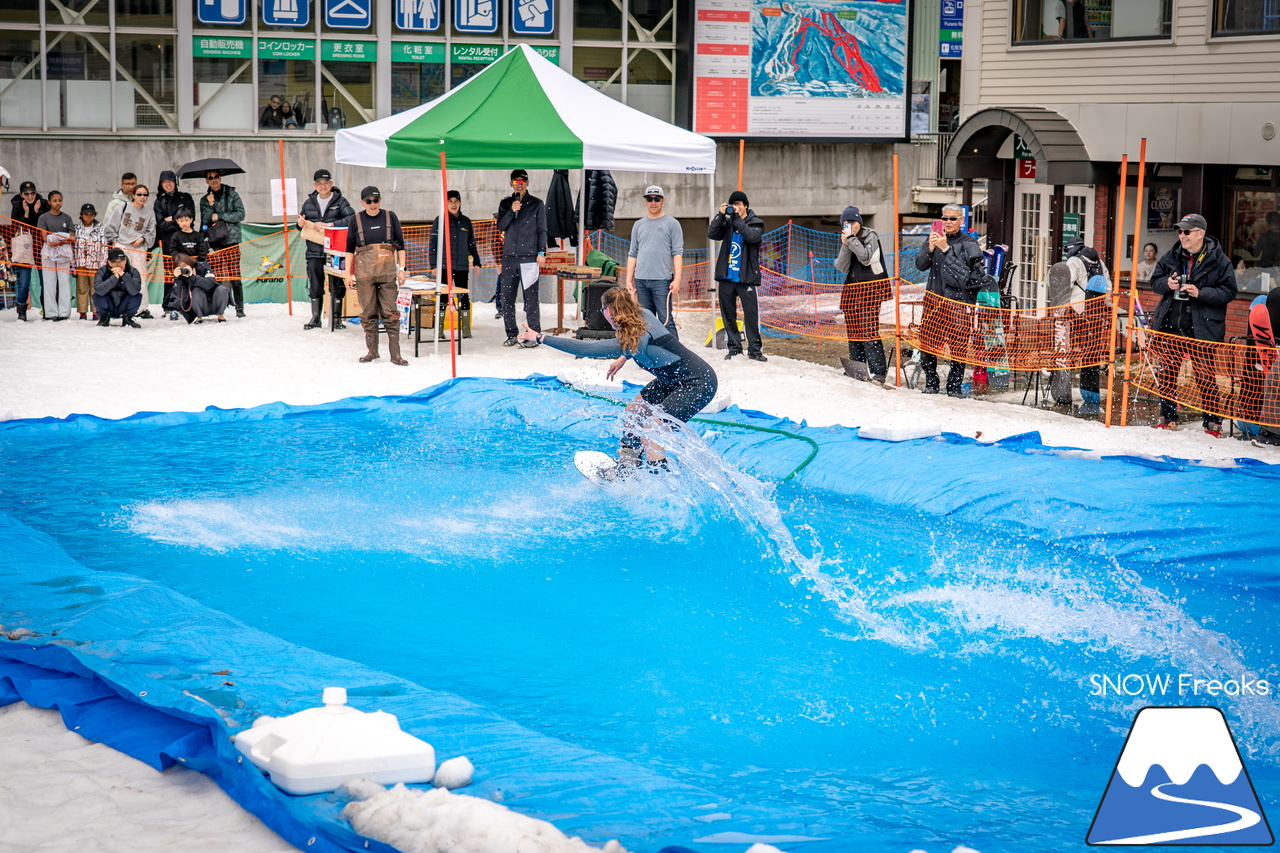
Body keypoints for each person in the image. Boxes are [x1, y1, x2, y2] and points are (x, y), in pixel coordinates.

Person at [517, 286, 718, 474]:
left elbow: (585, 348)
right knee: (633, 414)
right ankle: (628, 469)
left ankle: (663, 484)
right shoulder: (642, 317)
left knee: (652, 430)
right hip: (672, 379)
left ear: (609, 311)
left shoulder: (632, 338)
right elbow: (643, 343)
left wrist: (541, 338)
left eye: (602, 309)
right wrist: (624, 358)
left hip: (697, 382)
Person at [1149, 213, 1237, 435]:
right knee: (1166, 374)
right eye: (1179, 231)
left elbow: (1229, 292)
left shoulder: (1220, 260)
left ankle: (1212, 422)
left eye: (1186, 231)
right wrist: (1167, 284)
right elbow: (1154, 281)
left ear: (1200, 234)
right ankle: (1167, 417)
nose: (1182, 235)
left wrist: (1200, 292)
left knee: (1205, 377)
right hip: (1171, 325)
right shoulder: (1173, 254)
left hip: (1202, 328)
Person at [915, 203, 986, 396]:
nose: (947, 222)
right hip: (934, 300)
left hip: (958, 302)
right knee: (928, 343)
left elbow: (967, 276)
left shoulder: (969, 242)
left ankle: (954, 387)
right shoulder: (934, 239)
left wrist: (946, 249)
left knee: (958, 347)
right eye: (944, 218)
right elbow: (920, 265)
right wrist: (930, 248)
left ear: (961, 221)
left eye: (952, 218)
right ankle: (932, 382)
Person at [343, 185, 408, 366]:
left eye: (376, 200)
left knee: (390, 312)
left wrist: (402, 269)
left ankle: (396, 355)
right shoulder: (356, 220)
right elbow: (349, 249)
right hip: (364, 274)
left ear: (380, 200)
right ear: (362, 202)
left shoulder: (390, 217)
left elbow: (401, 245)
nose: (373, 204)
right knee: (368, 312)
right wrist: (348, 274)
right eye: (369, 201)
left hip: (387, 272)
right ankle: (372, 352)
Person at [708, 190, 766, 362]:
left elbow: (752, 236)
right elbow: (712, 234)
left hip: (746, 277)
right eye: (733, 204)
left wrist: (736, 219)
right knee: (728, 315)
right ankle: (734, 348)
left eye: (739, 204)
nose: (736, 207)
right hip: (727, 276)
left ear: (746, 206)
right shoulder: (727, 223)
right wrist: (720, 215)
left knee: (751, 315)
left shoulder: (756, 223)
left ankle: (755, 351)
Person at [835, 205, 889, 383]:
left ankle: (878, 371)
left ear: (859, 222)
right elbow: (841, 266)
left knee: (869, 330)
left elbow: (867, 258)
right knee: (854, 331)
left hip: (871, 289)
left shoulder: (870, 235)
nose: (850, 225)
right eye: (846, 223)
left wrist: (852, 240)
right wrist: (846, 245)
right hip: (852, 289)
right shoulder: (848, 238)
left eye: (852, 222)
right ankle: (857, 368)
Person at [297, 168, 355, 330]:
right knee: (315, 282)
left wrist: (330, 225)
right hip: (314, 251)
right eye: (320, 184)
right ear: (314, 185)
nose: (323, 187)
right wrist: (299, 223)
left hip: (335, 250)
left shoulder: (340, 201)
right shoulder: (309, 203)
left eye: (326, 183)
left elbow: (351, 219)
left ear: (331, 184)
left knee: (337, 283)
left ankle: (336, 318)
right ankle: (316, 317)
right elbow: (301, 222)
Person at [495, 169, 547, 347]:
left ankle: (534, 335)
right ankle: (511, 334)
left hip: (529, 257)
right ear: (511, 184)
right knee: (507, 298)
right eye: (516, 182)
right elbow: (500, 226)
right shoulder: (505, 203)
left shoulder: (537, 204)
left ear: (527, 183)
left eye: (522, 181)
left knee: (531, 299)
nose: (519, 184)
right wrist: (511, 211)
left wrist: (541, 252)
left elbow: (542, 229)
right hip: (509, 257)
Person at [625, 184, 684, 338]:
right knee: (644, 321)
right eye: (649, 199)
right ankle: (651, 355)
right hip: (641, 280)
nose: (653, 202)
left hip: (662, 280)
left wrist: (677, 279)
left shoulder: (672, 224)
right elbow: (633, 253)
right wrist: (628, 280)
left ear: (662, 200)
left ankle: (676, 355)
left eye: (657, 199)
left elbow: (677, 253)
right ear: (645, 201)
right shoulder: (638, 225)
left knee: (666, 321)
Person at [1063, 238, 1112, 416]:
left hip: (1078, 312)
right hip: (1097, 312)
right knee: (1091, 352)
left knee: (1071, 350)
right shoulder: (1099, 261)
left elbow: (1066, 284)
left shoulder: (1074, 261)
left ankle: (1063, 387)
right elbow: (1107, 285)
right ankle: (1091, 393)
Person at [103, 184, 157, 319]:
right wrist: (115, 242)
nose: (142, 197)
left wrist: (142, 239)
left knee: (141, 277)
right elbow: (110, 226)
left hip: (139, 248)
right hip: (122, 246)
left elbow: (152, 233)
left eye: (145, 195)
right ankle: (119, 306)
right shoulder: (123, 207)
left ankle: (141, 308)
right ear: (133, 195)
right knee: (119, 276)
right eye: (139, 194)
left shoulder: (149, 213)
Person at [200, 169, 247, 317]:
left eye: (216, 177)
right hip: (215, 241)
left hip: (231, 240)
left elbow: (241, 214)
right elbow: (205, 221)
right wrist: (210, 205)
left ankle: (239, 307)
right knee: (217, 276)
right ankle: (220, 306)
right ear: (206, 181)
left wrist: (220, 215)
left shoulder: (232, 194)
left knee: (235, 275)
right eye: (210, 178)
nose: (214, 180)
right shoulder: (204, 199)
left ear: (220, 178)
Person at [429, 190, 483, 289]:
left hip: (461, 267)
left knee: (463, 298)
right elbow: (433, 245)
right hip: (444, 267)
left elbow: (471, 244)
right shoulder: (440, 220)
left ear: (460, 203)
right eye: (450, 201)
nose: (453, 204)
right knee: (443, 298)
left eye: (456, 201)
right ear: (446, 203)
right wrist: (434, 265)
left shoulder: (466, 221)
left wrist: (477, 263)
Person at [9, 179, 45, 321]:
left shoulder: (42, 204)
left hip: (40, 246)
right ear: (21, 194)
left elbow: (42, 225)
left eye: (32, 193)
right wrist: (26, 214)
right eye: (26, 193)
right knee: (23, 282)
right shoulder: (17, 206)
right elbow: (17, 227)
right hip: (25, 247)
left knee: (44, 280)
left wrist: (36, 212)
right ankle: (21, 311)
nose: (30, 196)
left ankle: (46, 309)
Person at [36, 190, 75, 321]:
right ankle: (51, 312)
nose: (58, 203)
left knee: (64, 282)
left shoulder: (67, 218)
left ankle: (64, 313)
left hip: (64, 252)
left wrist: (60, 240)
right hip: (48, 252)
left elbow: (72, 237)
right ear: (49, 202)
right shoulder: (43, 218)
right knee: (49, 282)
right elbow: (45, 237)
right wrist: (55, 238)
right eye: (55, 201)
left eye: (60, 200)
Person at [166, 208, 208, 319]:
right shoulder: (176, 235)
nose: (184, 223)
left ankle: (196, 308)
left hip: (195, 267)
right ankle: (173, 309)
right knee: (178, 288)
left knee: (196, 288)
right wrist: (180, 261)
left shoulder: (198, 236)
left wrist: (197, 264)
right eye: (181, 221)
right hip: (180, 266)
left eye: (186, 220)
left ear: (191, 220)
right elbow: (173, 250)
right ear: (177, 222)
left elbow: (203, 251)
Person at [169, 252, 228, 324]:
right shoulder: (181, 277)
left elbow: (209, 284)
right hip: (197, 306)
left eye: (185, 266)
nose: (184, 269)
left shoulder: (203, 266)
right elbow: (179, 296)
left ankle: (220, 315)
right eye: (181, 268)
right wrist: (177, 279)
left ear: (190, 262)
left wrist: (193, 277)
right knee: (196, 291)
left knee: (222, 289)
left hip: (213, 302)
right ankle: (199, 317)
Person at [93, 246, 143, 328]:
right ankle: (104, 318)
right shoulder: (102, 271)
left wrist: (124, 276)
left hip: (124, 305)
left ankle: (128, 318)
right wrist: (114, 278)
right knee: (97, 295)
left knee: (137, 295)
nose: (119, 264)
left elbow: (135, 291)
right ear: (109, 262)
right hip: (109, 304)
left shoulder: (133, 271)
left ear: (125, 260)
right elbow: (99, 289)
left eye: (121, 261)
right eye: (115, 262)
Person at [73, 202, 107, 320]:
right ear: (81, 215)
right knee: (81, 288)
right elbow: (73, 248)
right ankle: (82, 312)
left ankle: (95, 311)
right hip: (81, 262)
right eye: (86, 214)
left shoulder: (100, 229)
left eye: (91, 214)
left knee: (95, 288)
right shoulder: (76, 229)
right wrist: (73, 264)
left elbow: (104, 247)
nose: (88, 217)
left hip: (95, 263)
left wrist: (103, 265)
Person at [153, 169, 194, 257]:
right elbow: (161, 226)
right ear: (161, 184)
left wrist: (172, 218)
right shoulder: (159, 202)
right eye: (165, 182)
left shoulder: (185, 197)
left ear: (175, 182)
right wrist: (181, 221)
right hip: (169, 244)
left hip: (187, 242)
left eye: (170, 181)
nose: (168, 184)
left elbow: (191, 217)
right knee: (170, 270)